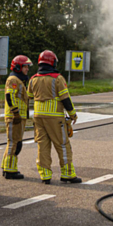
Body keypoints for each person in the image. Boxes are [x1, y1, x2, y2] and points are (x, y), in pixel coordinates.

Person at [27, 50, 81, 184]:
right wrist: (73, 114)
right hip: (55, 118)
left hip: (38, 117)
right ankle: (68, 174)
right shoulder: (58, 78)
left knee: (42, 146)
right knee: (62, 145)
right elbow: (65, 99)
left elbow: (28, 96)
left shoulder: (33, 79)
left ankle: (45, 175)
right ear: (53, 63)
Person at [2, 55, 32, 180]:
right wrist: (15, 113)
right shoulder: (13, 79)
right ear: (18, 66)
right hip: (14, 117)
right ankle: (10, 170)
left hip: (19, 117)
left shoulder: (19, 80)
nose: (27, 69)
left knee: (15, 143)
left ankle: (7, 167)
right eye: (25, 66)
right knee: (15, 144)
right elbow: (10, 97)